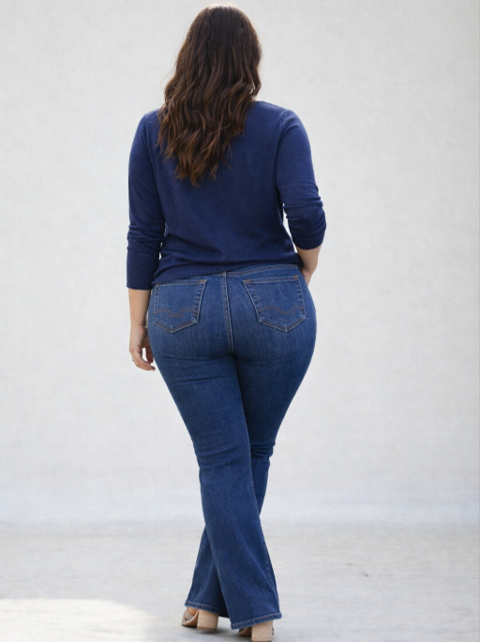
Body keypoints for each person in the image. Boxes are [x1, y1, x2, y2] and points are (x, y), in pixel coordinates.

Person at [126, 4, 326, 641]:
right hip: (275, 303)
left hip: (180, 307)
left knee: (224, 461)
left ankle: (211, 605)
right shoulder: (281, 126)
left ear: (188, 58)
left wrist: (137, 322)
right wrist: (304, 266)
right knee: (248, 455)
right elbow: (307, 212)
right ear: (250, 61)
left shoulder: (152, 131)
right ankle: (254, 612)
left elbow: (143, 234)